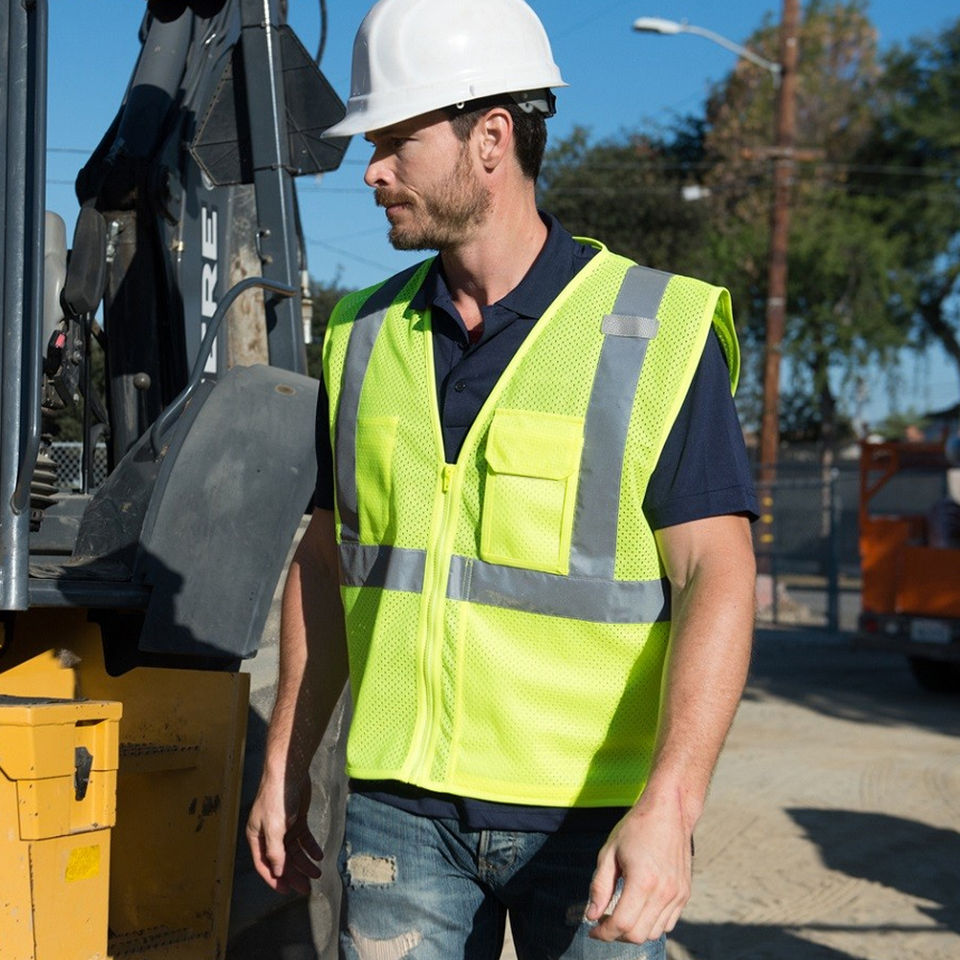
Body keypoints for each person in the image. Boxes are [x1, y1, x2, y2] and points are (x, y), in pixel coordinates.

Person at [246, 1, 758, 957]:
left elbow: (716, 575)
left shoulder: (658, 333)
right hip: (400, 813)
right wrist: (285, 757)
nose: (372, 170)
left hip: (592, 818)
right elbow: (325, 561)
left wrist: (672, 803)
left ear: (490, 138)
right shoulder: (359, 335)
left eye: (395, 141)